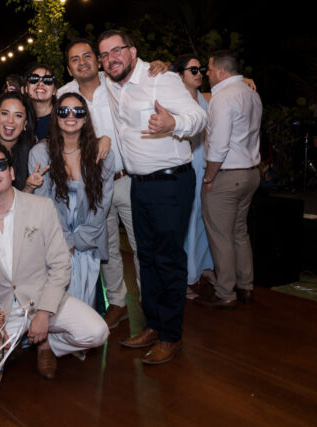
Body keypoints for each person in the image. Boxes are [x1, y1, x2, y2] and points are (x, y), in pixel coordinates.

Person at [97, 29, 206, 364]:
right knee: (146, 258)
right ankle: (154, 325)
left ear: (133, 51)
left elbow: (199, 117)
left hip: (170, 182)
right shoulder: (111, 84)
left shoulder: (163, 79)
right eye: (105, 55)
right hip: (139, 184)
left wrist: (174, 123)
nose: (111, 59)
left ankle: (171, 335)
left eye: (117, 50)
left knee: (168, 259)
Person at [0, 143, 109, 380]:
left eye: (0, 165)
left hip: (42, 299)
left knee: (97, 332)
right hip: (3, 311)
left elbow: (61, 264)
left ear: (12, 173)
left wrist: (44, 314)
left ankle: (47, 344)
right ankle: (16, 341)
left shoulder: (41, 207)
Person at [57, 38, 141, 328]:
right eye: (75, 59)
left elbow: (150, 77)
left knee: (140, 244)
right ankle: (117, 302)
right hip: (91, 186)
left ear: (98, 59)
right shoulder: (64, 95)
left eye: (87, 56)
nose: (82, 62)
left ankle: (149, 301)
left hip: (125, 178)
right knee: (107, 248)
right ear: (69, 68)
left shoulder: (117, 82)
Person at [29, 92, 114, 308]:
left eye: (78, 111)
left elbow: (103, 204)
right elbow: (44, 203)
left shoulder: (102, 153)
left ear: (85, 118)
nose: (70, 116)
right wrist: (66, 242)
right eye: (63, 111)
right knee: (57, 305)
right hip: (55, 238)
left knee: (85, 304)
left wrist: (82, 240)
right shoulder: (40, 153)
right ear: (56, 116)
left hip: (90, 239)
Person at [193, 50, 263, 310]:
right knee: (239, 232)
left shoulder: (223, 98)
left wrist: (209, 177)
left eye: (209, 68)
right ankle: (246, 286)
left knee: (221, 237)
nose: (207, 73)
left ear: (221, 71)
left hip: (226, 175)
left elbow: (219, 145)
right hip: (250, 173)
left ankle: (225, 293)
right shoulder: (251, 93)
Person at [172, 54, 217, 298]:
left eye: (200, 69)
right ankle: (186, 277)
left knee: (203, 217)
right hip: (184, 166)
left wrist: (245, 80)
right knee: (187, 220)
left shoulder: (204, 97)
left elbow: (228, 88)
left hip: (204, 165)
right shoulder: (174, 100)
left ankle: (204, 267)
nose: (199, 74)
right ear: (180, 75)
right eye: (193, 70)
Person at [23, 63, 57, 141]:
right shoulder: (20, 118)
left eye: (47, 80)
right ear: (26, 89)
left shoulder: (64, 118)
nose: (40, 83)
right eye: (34, 79)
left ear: (54, 91)